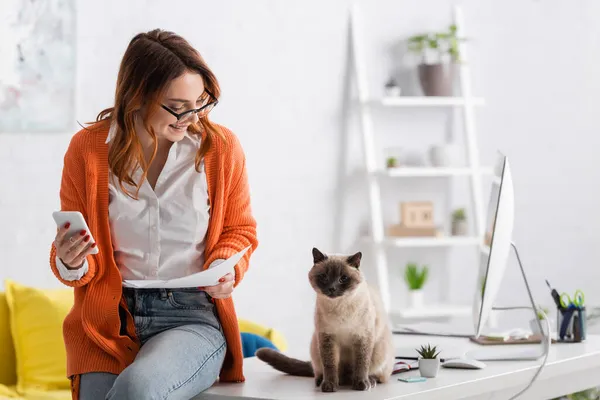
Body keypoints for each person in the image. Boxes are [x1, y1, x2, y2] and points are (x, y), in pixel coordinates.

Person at [49, 29, 258, 400]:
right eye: (177, 106)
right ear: (139, 96)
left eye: (200, 103)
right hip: (109, 321)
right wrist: (70, 260)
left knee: (137, 389)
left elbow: (239, 230)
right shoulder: (88, 150)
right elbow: (79, 256)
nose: (190, 118)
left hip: (190, 316)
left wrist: (227, 265)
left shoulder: (220, 148)